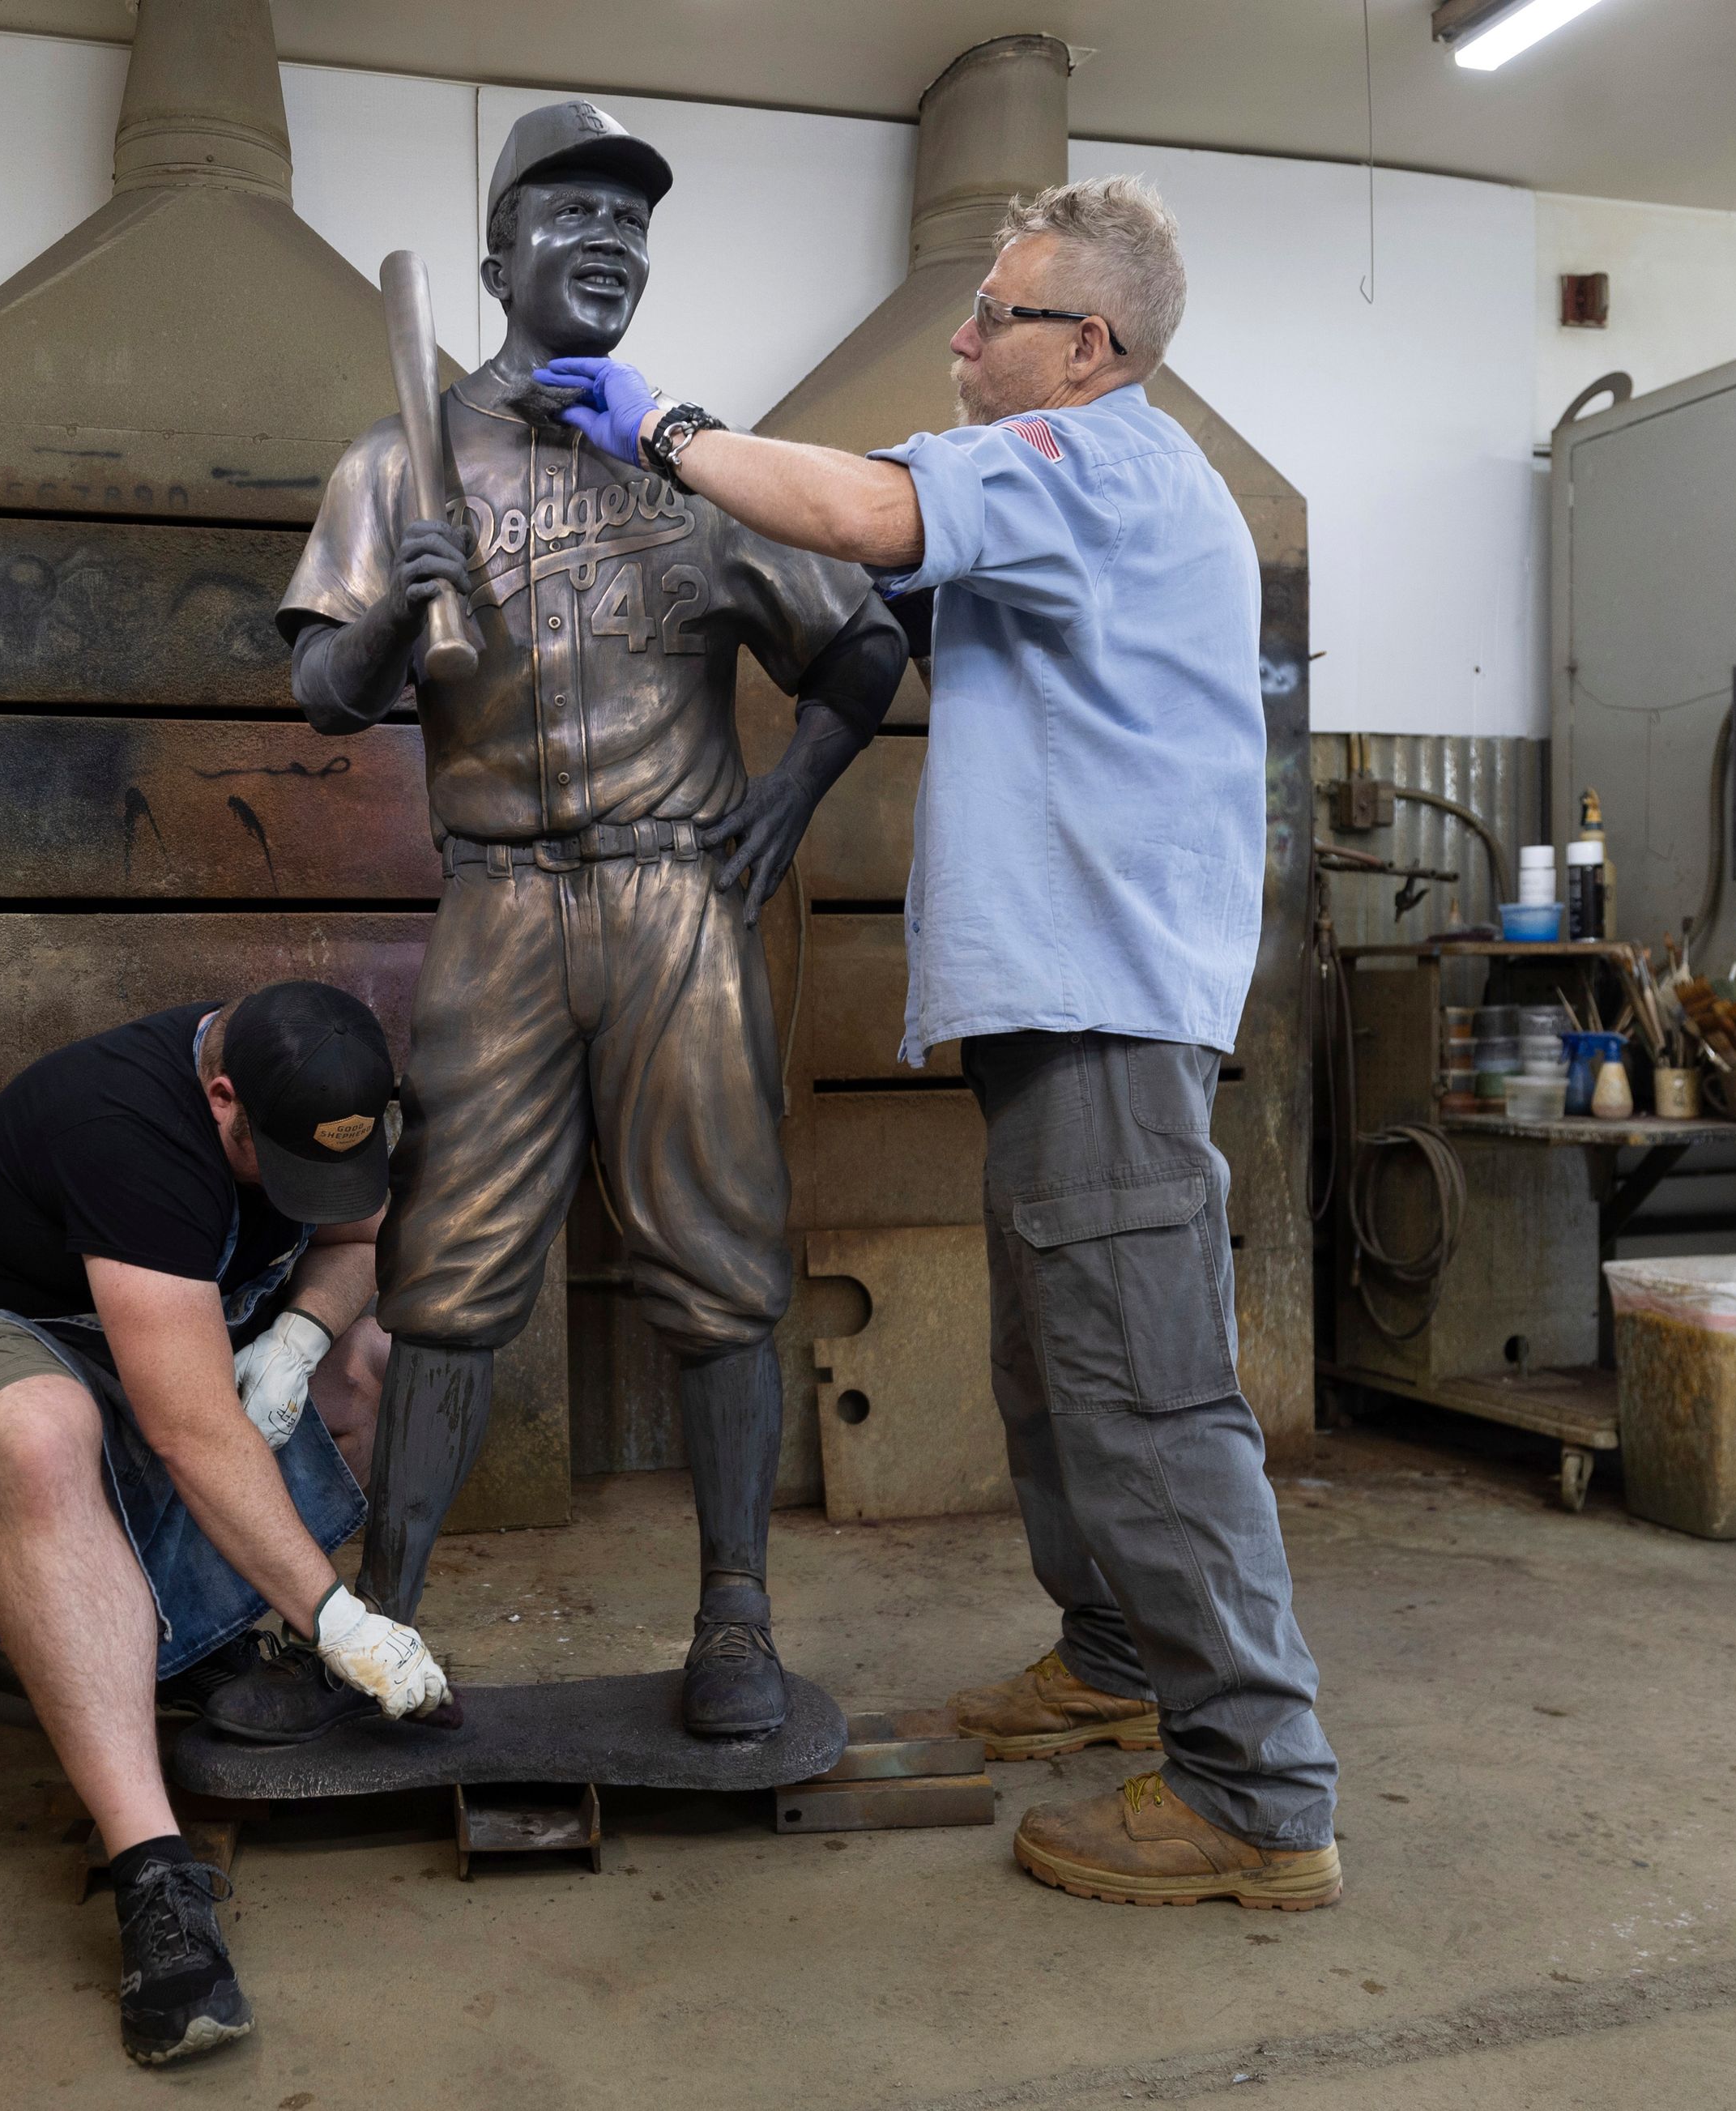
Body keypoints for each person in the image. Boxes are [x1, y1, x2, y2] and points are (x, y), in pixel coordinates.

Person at [536, 174, 1341, 1910]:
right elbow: (878, 580)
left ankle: (1260, 1792)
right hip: (1062, 1010)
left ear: (1090, 345)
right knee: (1057, 1373)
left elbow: (856, 510)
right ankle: (1119, 1659)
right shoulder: (1060, 478)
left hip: (1108, 1008)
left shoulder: (1095, 465)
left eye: (998, 316)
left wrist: (663, 425)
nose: (965, 340)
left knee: (1146, 1391)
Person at [204, 100, 907, 1747]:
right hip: (505, 904)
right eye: (572, 211)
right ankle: (379, 1617)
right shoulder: (402, 459)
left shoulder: (694, 461)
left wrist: (785, 805)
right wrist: (395, 608)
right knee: (445, 1271)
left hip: (676, 895)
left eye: (633, 221)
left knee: (721, 1259)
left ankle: (735, 1608)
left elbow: (862, 648)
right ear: (501, 251)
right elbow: (317, 691)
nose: (609, 240)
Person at [0, 982, 456, 2064]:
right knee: (45, 1431)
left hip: (143, 1335)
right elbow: (185, 1429)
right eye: (283, 1168)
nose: (305, 1192)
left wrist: (303, 1336)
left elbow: (358, 1236)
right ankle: (153, 1875)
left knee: (376, 1356)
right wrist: (337, 1616)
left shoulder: (316, 1090)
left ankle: (194, 1647)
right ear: (223, 1100)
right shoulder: (126, 1124)